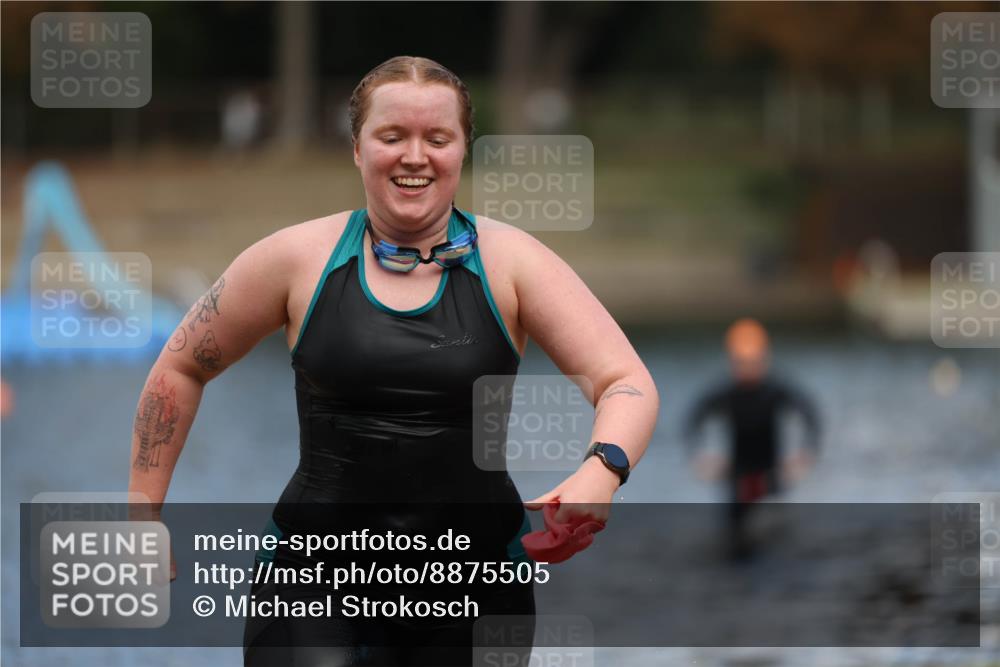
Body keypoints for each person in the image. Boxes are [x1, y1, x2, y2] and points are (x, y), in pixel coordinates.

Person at [127, 56, 659, 666]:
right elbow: (179, 367)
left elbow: (626, 382)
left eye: (437, 138)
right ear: (357, 148)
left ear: (463, 150)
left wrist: (603, 470)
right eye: (392, 136)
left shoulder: (515, 264)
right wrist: (144, 509)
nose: (415, 157)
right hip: (314, 581)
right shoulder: (295, 260)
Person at [683, 318, 820, 559]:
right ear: (732, 361)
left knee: (779, 545)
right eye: (742, 362)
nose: (748, 368)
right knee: (735, 546)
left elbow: (810, 415)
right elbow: (694, 419)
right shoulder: (726, 393)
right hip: (738, 478)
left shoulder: (775, 390)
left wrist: (804, 454)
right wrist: (701, 456)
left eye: (754, 361)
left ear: (764, 359)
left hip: (772, 476)